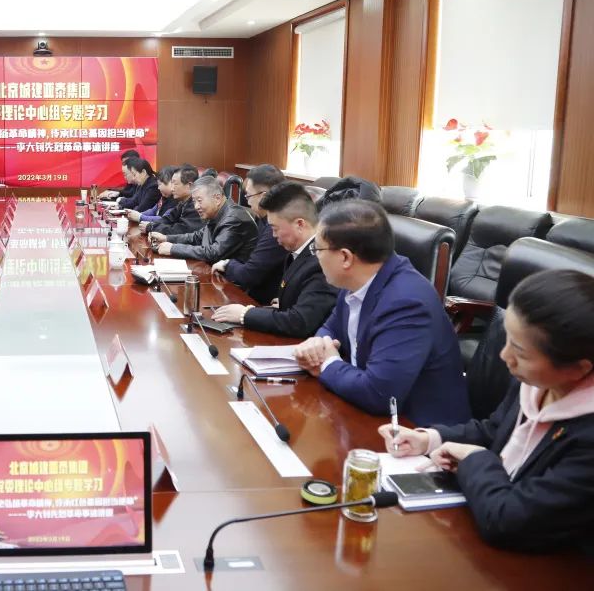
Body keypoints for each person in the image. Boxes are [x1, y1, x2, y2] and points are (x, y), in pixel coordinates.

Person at [379, 270, 594, 556]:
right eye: (507, 340)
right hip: (481, 520)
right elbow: (495, 430)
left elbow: (508, 521)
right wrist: (430, 439)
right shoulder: (537, 382)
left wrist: (474, 459)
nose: (504, 356)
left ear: (579, 368)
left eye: (521, 352)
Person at [292, 200, 470, 425]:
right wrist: (317, 345)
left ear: (345, 257)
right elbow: (330, 328)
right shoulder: (356, 280)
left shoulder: (406, 303)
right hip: (365, 411)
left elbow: (380, 395)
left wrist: (327, 364)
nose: (315, 256)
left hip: (417, 430)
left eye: (317, 249)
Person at [212, 182, 337, 338]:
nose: (273, 235)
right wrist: (285, 303)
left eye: (275, 228)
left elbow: (300, 322)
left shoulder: (322, 260)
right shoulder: (298, 252)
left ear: (299, 224)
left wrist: (245, 314)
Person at [212, 164, 287, 304]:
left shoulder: (276, 228)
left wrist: (227, 265)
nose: (246, 201)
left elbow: (249, 275)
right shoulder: (264, 219)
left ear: (264, 196)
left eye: (249, 195)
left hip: (263, 303)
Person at [149, 176, 257, 264]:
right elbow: (197, 237)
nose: (196, 206)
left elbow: (214, 253)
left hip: (233, 282)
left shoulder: (234, 218)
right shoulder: (217, 213)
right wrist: (166, 238)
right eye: (194, 201)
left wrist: (173, 248)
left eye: (199, 200)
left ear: (217, 198)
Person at [147, 165, 204, 236]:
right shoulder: (183, 202)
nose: (172, 188)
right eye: (172, 183)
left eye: (175, 184)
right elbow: (168, 219)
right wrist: (151, 225)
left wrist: (152, 227)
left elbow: (180, 231)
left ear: (190, 185)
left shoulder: (196, 206)